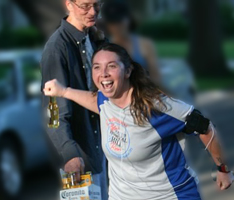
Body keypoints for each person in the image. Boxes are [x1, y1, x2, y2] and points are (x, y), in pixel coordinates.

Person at [43, 43, 232, 200]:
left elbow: (205, 127)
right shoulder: (105, 101)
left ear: (128, 71)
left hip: (169, 195)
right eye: (97, 67)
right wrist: (63, 91)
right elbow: (94, 100)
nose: (104, 73)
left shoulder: (157, 108)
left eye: (112, 66)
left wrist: (222, 169)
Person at [40, 0, 107, 198]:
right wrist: (70, 153)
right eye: (85, 6)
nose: (93, 11)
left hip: (100, 149)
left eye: (97, 4)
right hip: (81, 158)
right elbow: (52, 112)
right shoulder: (57, 48)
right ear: (68, 4)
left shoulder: (93, 37)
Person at [99, 0, 160, 85]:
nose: (117, 27)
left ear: (129, 19)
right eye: (113, 23)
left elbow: (156, 77)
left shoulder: (145, 44)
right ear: (107, 25)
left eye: (120, 21)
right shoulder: (105, 48)